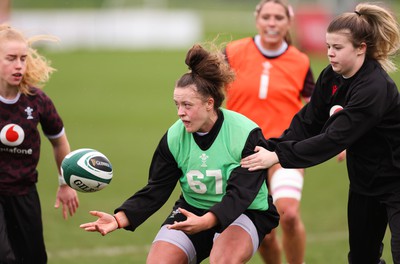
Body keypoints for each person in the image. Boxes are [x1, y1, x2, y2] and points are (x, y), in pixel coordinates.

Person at [80, 44, 280, 264]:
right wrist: (119, 219)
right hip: (192, 210)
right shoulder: (174, 137)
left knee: (223, 261)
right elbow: (156, 188)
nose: (180, 113)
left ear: (209, 104)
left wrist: (206, 222)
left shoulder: (245, 133)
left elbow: (241, 194)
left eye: (187, 105)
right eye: (177, 104)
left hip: (246, 211)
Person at [241, 2, 400, 264]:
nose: (330, 54)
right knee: (361, 259)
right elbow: (308, 121)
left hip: (395, 181)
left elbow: (334, 139)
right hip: (364, 183)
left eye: (337, 48)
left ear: (361, 49)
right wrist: (272, 146)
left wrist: (278, 156)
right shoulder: (332, 76)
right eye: (328, 47)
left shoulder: (374, 87)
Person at [224, 0, 315, 263]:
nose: (272, 23)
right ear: (257, 20)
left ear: (288, 22)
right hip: (242, 153)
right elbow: (209, 92)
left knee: (288, 214)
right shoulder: (232, 52)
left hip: (285, 148)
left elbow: (315, 108)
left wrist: (340, 139)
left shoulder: (300, 61)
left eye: (278, 17)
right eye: (266, 17)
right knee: (264, 232)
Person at [0, 24, 79, 263]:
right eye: (11, 58)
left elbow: (59, 142)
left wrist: (65, 182)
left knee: (33, 259)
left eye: (23, 58)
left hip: (24, 193)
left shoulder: (37, 101)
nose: (19, 65)